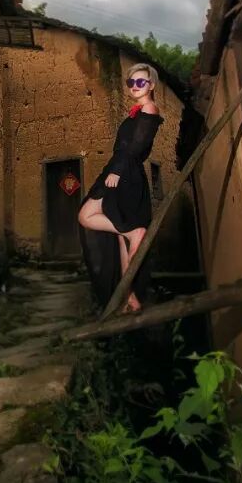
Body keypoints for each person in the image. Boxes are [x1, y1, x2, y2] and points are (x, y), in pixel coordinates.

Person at [77, 63, 164, 313]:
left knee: (85, 215)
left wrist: (116, 171)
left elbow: (136, 147)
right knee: (120, 241)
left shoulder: (149, 108)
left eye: (141, 82)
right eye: (131, 82)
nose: (135, 86)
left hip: (124, 174)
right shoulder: (137, 112)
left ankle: (133, 233)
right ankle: (130, 298)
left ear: (151, 85)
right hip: (118, 170)